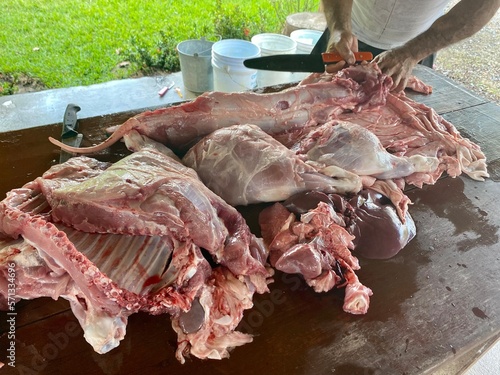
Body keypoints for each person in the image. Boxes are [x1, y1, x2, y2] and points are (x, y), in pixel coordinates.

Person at [321, 0, 500, 91]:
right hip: (348, 32)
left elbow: (482, 5)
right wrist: (339, 27)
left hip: (418, 44)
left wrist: (413, 53)